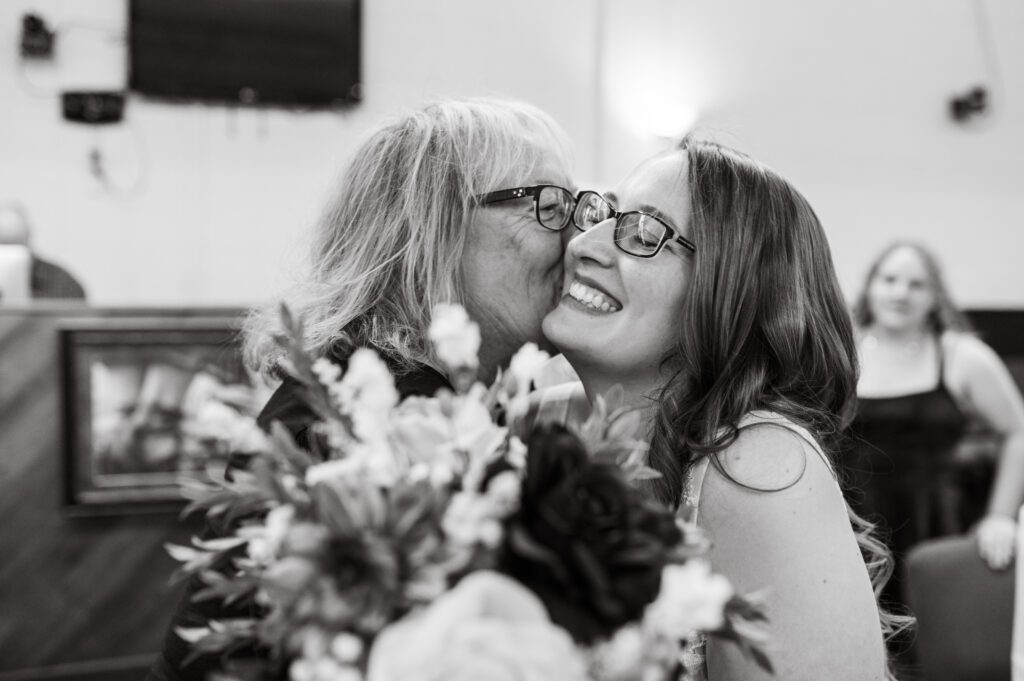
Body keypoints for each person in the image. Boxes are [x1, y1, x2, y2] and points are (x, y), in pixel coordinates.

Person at [146, 97, 577, 681]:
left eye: (579, 207)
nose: (577, 238)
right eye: (549, 206)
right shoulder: (384, 427)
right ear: (434, 230)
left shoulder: (378, 388)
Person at [539, 138, 897, 680]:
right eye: (603, 213)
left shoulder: (757, 468)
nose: (584, 245)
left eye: (642, 232)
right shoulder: (539, 424)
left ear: (729, 293)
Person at [846, 242, 1024, 596]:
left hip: (934, 526)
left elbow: (1018, 431)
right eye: (890, 279)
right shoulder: (841, 350)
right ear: (870, 285)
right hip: (851, 529)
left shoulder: (962, 355)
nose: (901, 293)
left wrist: (1001, 516)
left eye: (916, 284)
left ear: (935, 296)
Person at [0, 203, 86, 300]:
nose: (10, 254)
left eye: (15, 244)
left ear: (28, 236)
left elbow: (76, 299)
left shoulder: (61, 281)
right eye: (3, 244)